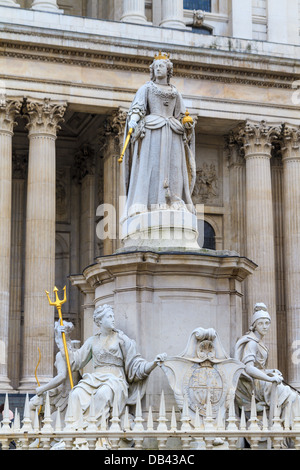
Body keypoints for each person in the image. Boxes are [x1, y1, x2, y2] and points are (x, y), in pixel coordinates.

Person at [58, 304, 166, 428]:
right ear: (100, 321)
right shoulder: (92, 341)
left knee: (103, 393)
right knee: (76, 393)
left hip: (115, 380)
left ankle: (94, 433)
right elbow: (75, 362)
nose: (113, 319)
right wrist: (64, 340)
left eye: (113, 316)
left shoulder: (122, 339)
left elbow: (136, 365)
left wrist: (152, 364)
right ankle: (74, 432)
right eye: (109, 317)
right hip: (94, 379)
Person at [121, 51, 196, 222]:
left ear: (168, 70)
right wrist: (133, 119)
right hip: (152, 129)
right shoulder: (146, 88)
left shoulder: (175, 92)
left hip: (172, 130)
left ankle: (174, 199)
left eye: (161, 66)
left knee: (174, 166)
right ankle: (147, 202)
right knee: (150, 165)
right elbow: (138, 107)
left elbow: (182, 113)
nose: (158, 69)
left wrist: (187, 123)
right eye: (156, 67)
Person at [234, 303, 299, 425]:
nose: (264, 326)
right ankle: (285, 428)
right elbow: (249, 369)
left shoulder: (260, 343)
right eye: (260, 323)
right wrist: (270, 378)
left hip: (261, 380)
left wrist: (270, 371)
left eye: (267, 323)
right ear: (254, 325)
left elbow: (259, 367)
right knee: (291, 397)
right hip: (256, 383)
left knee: (293, 396)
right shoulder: (251, 342)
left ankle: (286, 429)